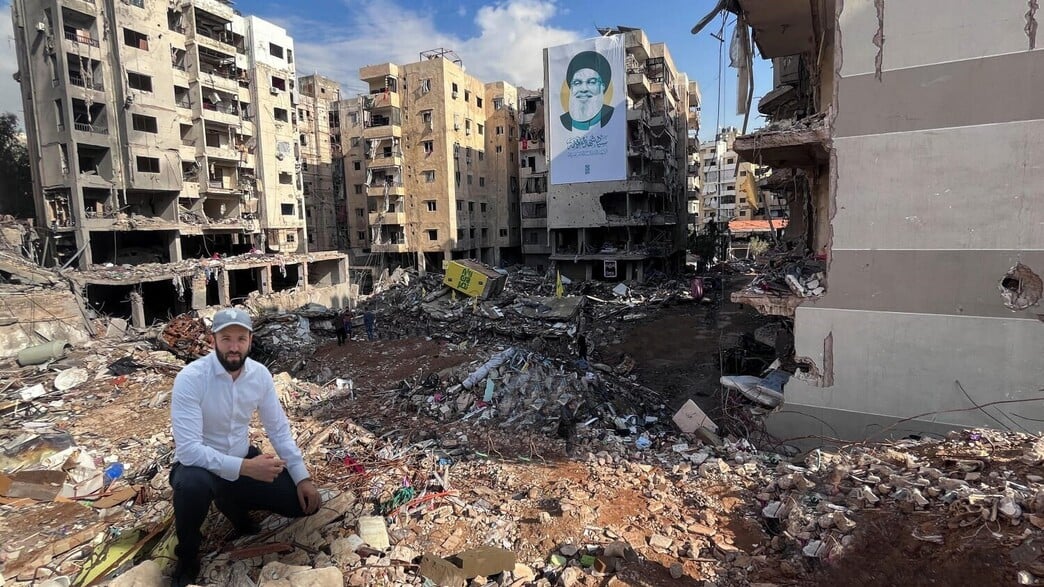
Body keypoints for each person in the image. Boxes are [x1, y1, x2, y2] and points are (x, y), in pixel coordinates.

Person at [169, 308, 322, 587]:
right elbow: (189, 449)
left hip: (241, 460)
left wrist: (302, 477)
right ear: (213, 340)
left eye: (241, 339)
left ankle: (231, 503)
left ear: (250, 340)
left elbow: (278, 429)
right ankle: (187, 557)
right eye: (226, 339)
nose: (234, 347)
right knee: (191, 486)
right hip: (199, 468)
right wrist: (246, 468)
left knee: (303, 505)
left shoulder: (259, 376)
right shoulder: (191, 378)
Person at [559, 50, 616, 132]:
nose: (584, 89)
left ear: (602, 86)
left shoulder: (612, 115)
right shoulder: (564, 121)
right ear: (571, 88)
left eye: (592, 82)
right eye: (577, 83)